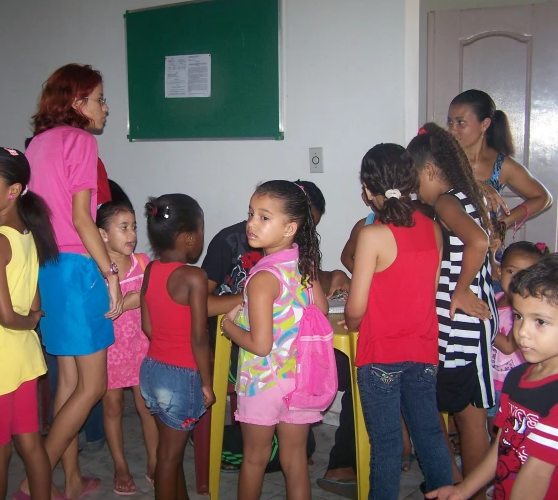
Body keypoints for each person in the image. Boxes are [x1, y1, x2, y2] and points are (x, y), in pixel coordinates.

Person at [23, 63, 121, 500]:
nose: (106, 107)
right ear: (78, 104)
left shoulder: (37, 144)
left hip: (48, 267)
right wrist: (111, 273)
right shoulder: (80, 141)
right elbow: (83, 218)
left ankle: (73, 479)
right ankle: (34, 480)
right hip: (80, 269)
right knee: (93, 385)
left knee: (67, 381)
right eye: (99, 99)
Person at [343, 144, 452, 498]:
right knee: (429, 434)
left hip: (381, 355)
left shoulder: (372, 234)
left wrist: (351, 322)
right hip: (423, 350)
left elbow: (356, 308)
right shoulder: (433, 228)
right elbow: (429, 290)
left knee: (387, 445)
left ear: (367, 188)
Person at [220, 180, 327, 500]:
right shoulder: (304, 265)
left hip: (263, 384)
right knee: (295, 461)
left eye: (264, 217)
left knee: (254, 459)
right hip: (299, 380)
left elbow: (260, 344)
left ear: (290, 227)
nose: (251, 222)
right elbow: (320, 309)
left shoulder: (262, 278)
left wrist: (229, 327)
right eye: (251, 213)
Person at [408, 125, 498, 499]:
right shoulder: (467, 194)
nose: (416, 191)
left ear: (429, 170)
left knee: (466, 414)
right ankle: (461, 485)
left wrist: (459, 290)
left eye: (415, 181)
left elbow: (478, 241)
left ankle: (467, 489)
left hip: (462, 323)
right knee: (463, 411)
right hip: (467, 322)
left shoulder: (446, 200)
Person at [0, 147, 58, 500]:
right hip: (22, 355)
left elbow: (5, 315)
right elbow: (32, 300)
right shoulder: (27, 234)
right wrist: (32, 319)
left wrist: (30, 319)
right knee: (30, 445)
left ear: (13, 190)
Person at [426, 254, 558, 500]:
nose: (522, 333)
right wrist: (464, 490)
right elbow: (503, 444)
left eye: (540, 321)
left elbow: (537, 474)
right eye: (518, 317)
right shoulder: (518, 376)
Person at [139, 193, 213, 500]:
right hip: (181, 376)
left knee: (170, 450)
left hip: (151, 370)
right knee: (169, 458)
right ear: (187, 237)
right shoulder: (194, 277)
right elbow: (199, 338)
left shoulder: (151, 270)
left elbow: (148, 326)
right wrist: (207, 384)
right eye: (201, 231)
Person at [447, 90, 553, 290]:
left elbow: (543, 197)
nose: (452, 130)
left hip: (486, 256)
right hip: (448, 252)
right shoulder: (443, 161)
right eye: (450, 122)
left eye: (460, 122)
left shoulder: (500, 165)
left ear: (484, 124)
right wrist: (476, 184)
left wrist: (504, 222)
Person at [97, 197, 159, 494]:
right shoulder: (95, 269)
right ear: (102, 234)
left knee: (147, 405)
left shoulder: (142, 264)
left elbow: (150, 295)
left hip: (140, 346)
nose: (132, 234)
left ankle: (155, 460)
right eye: (123, 228)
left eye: (134, 227)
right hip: (109, 350)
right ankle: (120, 464)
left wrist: (134, 299)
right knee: (112, 406)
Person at [487, 241, 549, 436]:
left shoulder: (524, 314)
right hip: (490, 380)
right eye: (511, 272)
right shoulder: (495, 299)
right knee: (491, 426)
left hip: (512, 384)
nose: (516, 280)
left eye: (525, 274)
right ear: (499, 272)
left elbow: (507, 346)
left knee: (506, 431)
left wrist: (482, 324)